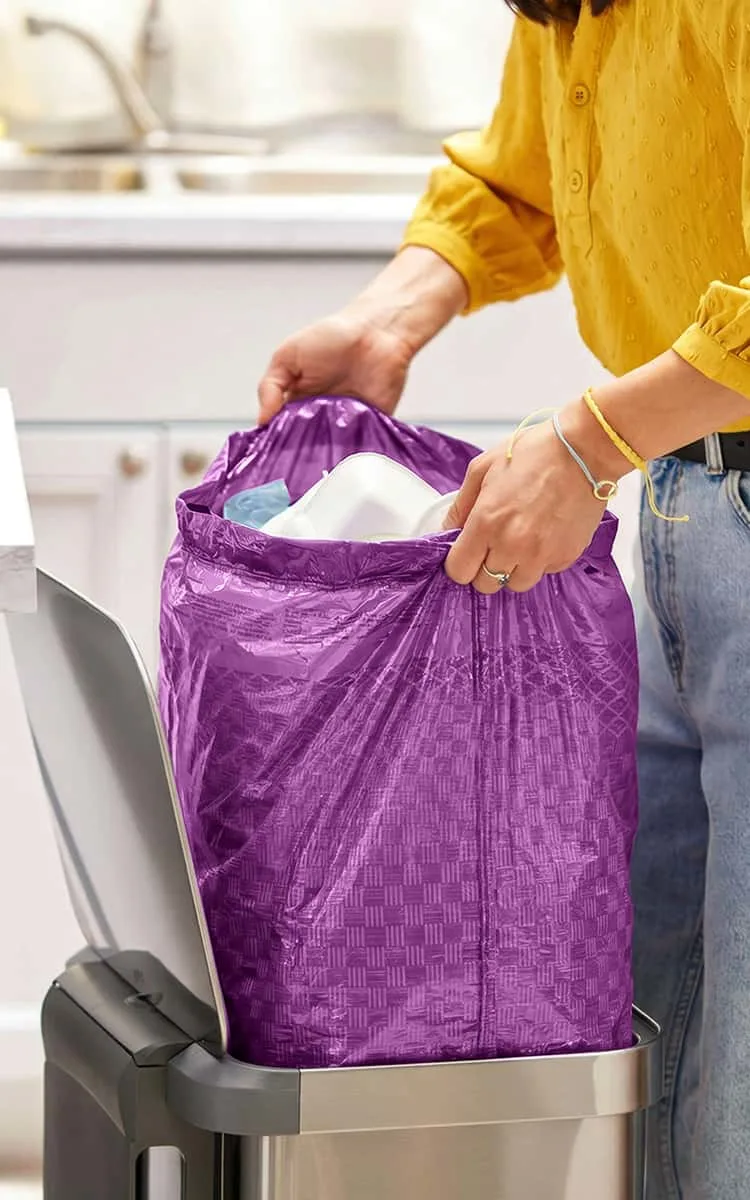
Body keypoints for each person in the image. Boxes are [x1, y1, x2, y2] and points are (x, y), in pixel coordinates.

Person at [258, 2, 750, 1196]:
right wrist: (391, 316)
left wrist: (588, 443)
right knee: (631, 1016)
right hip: (686, 517)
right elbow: (530, 174)